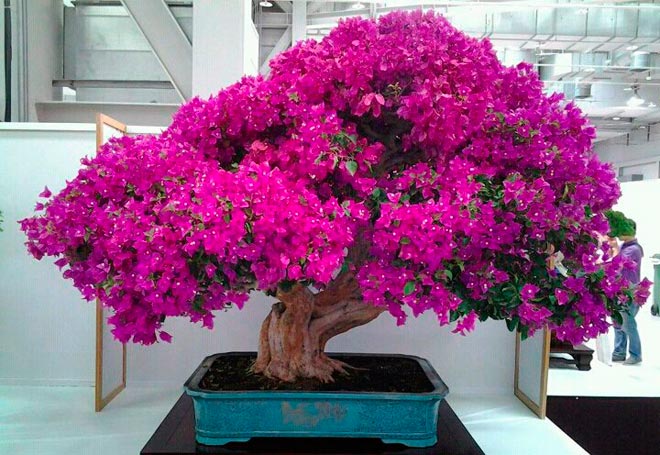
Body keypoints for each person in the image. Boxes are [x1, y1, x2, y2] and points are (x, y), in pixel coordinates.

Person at [606, 212, 644, 365]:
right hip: (620, 289)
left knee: (628, 323)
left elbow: (619, 265)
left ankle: (635, 354)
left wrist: (615, 249)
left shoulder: (634, 249)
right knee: (617, 321)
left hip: (630, 291)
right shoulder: (625, 246)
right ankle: (619, 352)